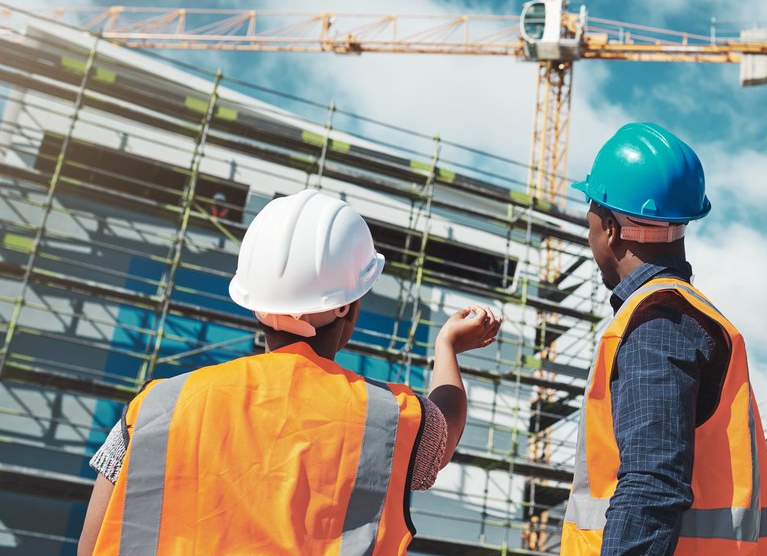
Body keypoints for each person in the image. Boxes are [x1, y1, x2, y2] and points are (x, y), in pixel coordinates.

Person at [78, 188, 502, 555]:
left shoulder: (155, 404)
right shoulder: (392, 417)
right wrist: (447, 346)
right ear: (348, 308)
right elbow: (442, 431)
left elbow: (93, 542)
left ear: (254, 303)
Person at [559, 123, 767, 556]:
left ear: (610, 227)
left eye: (589, 210)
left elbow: (651, 487)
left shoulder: (657, 322)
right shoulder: (685, 316)